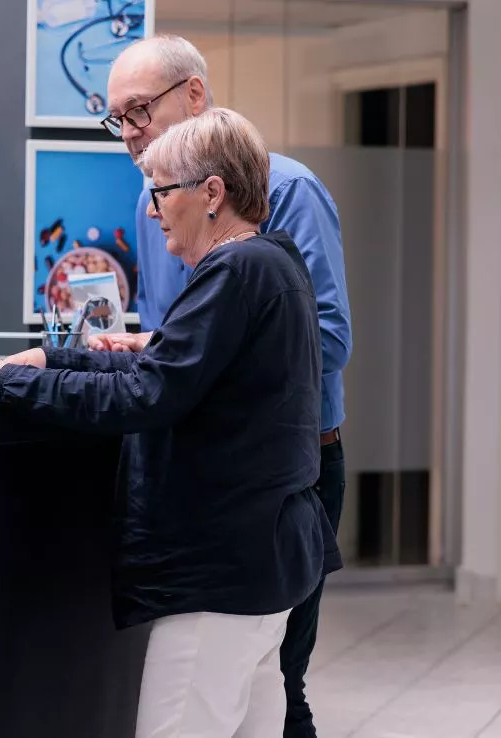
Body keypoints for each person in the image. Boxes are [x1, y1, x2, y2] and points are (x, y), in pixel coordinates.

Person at [0, 109, 341, 738]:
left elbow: (146, 397)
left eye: (161, 192)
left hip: (221, 575)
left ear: (212, 193)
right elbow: (183, 364)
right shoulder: (274, 261)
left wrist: (6, 380)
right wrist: (57, 356)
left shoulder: (233, 272)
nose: (150, 211)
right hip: (265, 566)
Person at [92, 35, 353, 738]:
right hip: (199, 476)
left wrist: (188, 352)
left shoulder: (285, 189)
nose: (129, 130)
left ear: (195, 95)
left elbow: (324, 339)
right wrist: (153, 348)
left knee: (277, 685)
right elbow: (170, 338)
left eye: (139, 109)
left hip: (278, 475)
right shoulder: (152, 199)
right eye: (116, 118)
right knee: (240, 703)